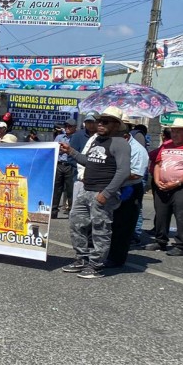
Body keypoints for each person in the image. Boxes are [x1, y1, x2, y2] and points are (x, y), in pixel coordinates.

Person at [59, 107, 130, 279]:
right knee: (76, 223)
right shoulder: (97, 140)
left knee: (101, 229)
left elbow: (123, 171)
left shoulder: (120, 143)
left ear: (116, 125)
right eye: (99, 121)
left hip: (102, 192)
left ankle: (96, 265)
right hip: (86, 189)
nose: (100, 124)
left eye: (105, 122)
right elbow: (89, 161)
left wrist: (106, 194)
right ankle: (81, 258)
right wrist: (71, 151)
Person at [146, 118, 183, 256]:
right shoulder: (166, 145)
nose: (174, 134)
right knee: (161, 214)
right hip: (162, 185)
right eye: (173, 131)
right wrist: (157, 179)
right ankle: (160, 241)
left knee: (181, 216)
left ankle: (179, 245)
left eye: (178, 131)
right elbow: (158, 164)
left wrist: (177, 183)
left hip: (181, 187)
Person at [106, 119, 149, 268]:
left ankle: (117, 258)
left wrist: (116, 174)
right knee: (110, 222)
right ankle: (107, 252)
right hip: (114, 186)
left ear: (125, 137)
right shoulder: (113, 145)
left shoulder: (138, 150)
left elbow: (137, 174)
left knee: (123, 225)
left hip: (129, 188)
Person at [52, 119, 77, 219]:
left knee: (70, 189)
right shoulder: (59, 137)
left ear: (75, 127)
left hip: (70, 165)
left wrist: (65, 150)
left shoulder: (76, 138)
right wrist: (61, 150)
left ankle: (71, 211)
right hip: (59, 164)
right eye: (66, 126)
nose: (67, 128)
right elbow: (54, 148)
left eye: (70, 126)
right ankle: (53, 211)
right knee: (57, 188)